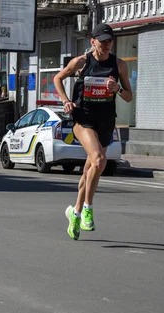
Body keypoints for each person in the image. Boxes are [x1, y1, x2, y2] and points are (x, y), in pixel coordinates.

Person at [53, 23, 133, 240]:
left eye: (110, 41)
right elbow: (57, 78)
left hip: (106, 121)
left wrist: (117, 89)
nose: (107, 45)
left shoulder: (119, 65)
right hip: (84, 119)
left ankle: (74, 213)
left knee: (90, 171)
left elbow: (129, 96)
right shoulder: (82, 62)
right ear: (93, 42)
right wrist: (66, 101)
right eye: (103, 41)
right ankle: (88, 208)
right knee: (98, 160)